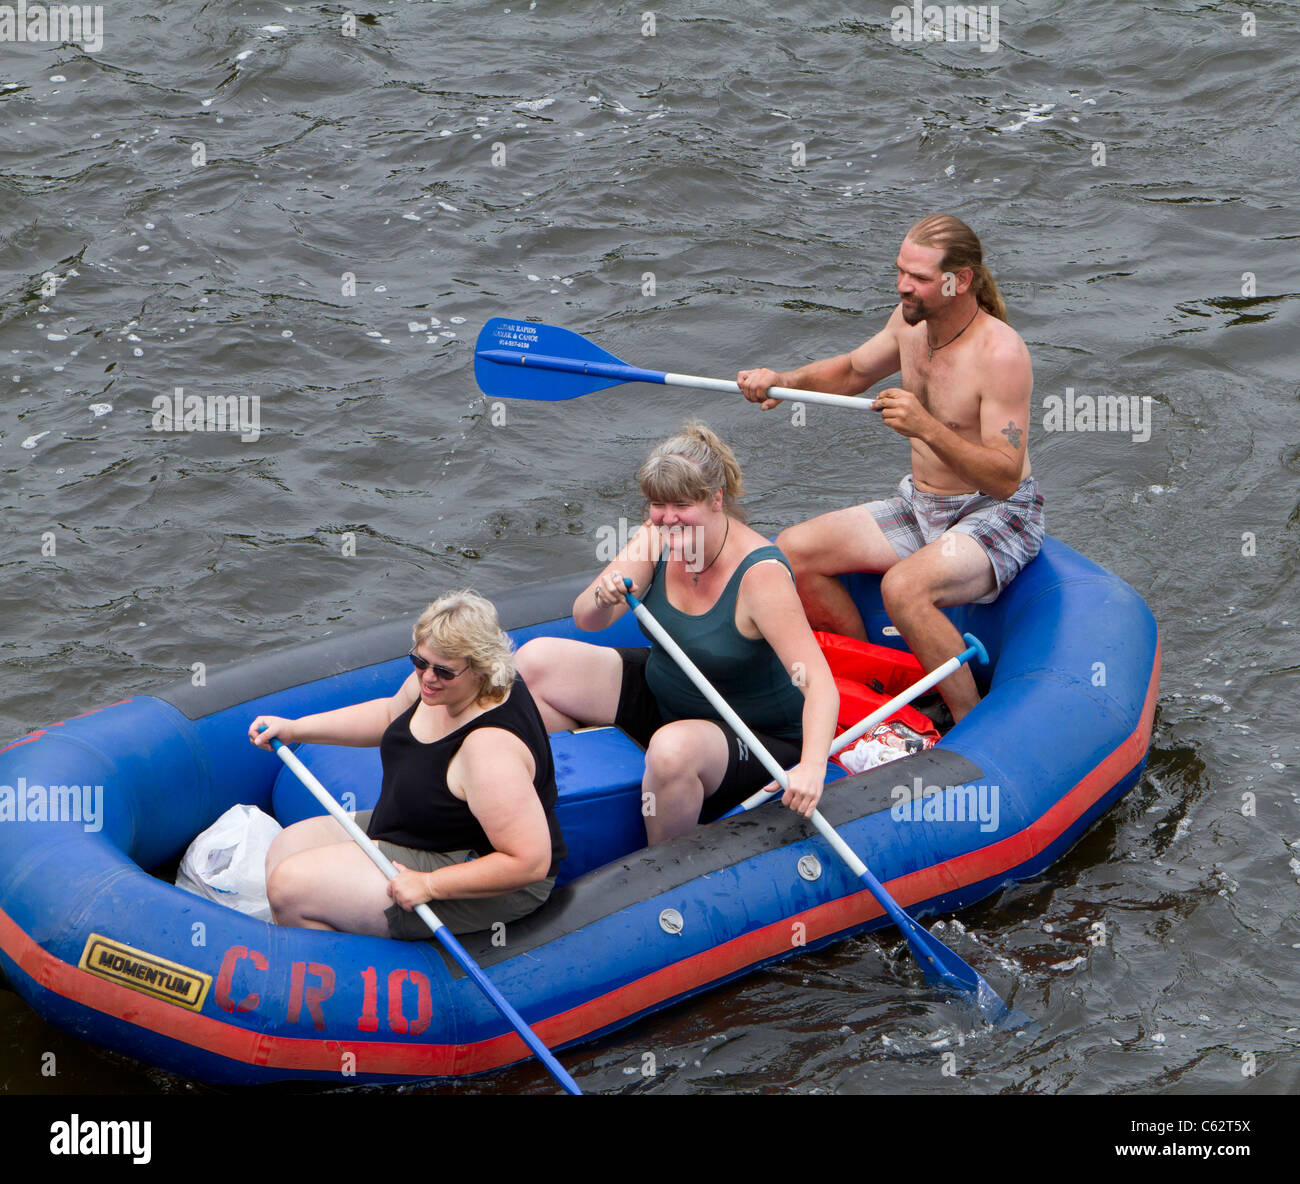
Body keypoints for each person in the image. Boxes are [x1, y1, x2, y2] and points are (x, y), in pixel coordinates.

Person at [736, 213, 1044, 725]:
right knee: (792, 552)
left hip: (995, 511)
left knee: (903, 588)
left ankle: (971, 722)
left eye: (919, 278)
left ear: (959, 280)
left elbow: (1005, 476)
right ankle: (878, 682)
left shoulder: (1001, 352)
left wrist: (925, 427)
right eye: (901, 271)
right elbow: (854, 371)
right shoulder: (909, 323)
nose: (904, 286)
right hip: (920, 502)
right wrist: (782, 380)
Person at [515, 423, 838, 844]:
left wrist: (812, 767)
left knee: (671, 750)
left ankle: (664, 864)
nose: (667, 518)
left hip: (754, 738)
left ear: (716, 499)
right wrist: (603, 596)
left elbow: (820, 684)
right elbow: (587, 620)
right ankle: (535, 812)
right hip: (668, 697)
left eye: (681, 505)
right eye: (657, 505)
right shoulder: (658, 535)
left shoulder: (761, 576)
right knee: (535, 662)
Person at [249, 591, 566, 938]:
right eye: (420, 662)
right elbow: (389, 714)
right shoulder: (440, 685)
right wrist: (295, 729)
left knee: (289, 887)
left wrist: (430, 885)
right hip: (421, 828)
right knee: (284, 849)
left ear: (481, 667)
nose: (428, 677)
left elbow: (531, 862)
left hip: (468, 864)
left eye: (443, 671)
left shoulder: (489, 751)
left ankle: (350, 973)